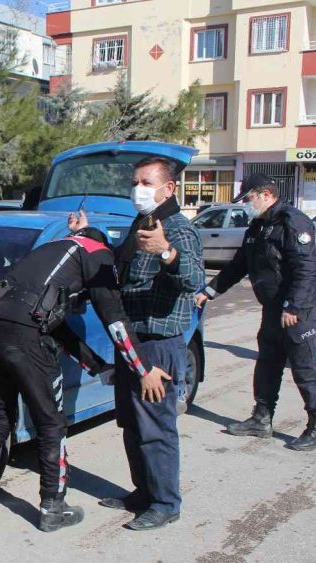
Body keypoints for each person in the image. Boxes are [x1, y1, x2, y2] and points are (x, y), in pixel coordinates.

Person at [0, 210, 170, 532]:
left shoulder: (51, 251)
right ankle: (53, 507)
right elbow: (115, 320)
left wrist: (98, 367)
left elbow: (53, 325)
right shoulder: (97, 255)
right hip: (24, 337)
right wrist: (142, 369)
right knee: (51, 424)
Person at [195, 173, 316, 450]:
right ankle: (261, 418)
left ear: (266, 194)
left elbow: (306, 270)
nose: (246, 204)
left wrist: (293, 305)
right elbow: (238, 266)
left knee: (304, 370)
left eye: (248, 198)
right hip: (272, 310)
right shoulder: (258, 227)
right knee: (267, 364)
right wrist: (209, 291)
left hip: (297, 312)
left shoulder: (292, 223)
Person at [104, 156, 205, 531]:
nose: (138, 190)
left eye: (146, 182)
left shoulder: (177, 228)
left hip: (159, 342)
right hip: (133, 339)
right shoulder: (141, 223)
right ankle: (143, 492)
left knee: (156, 427)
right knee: (132, 423)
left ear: (169, 188)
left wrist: (166, 251)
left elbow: (193, 277)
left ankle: (165, 502)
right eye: (136, 182)